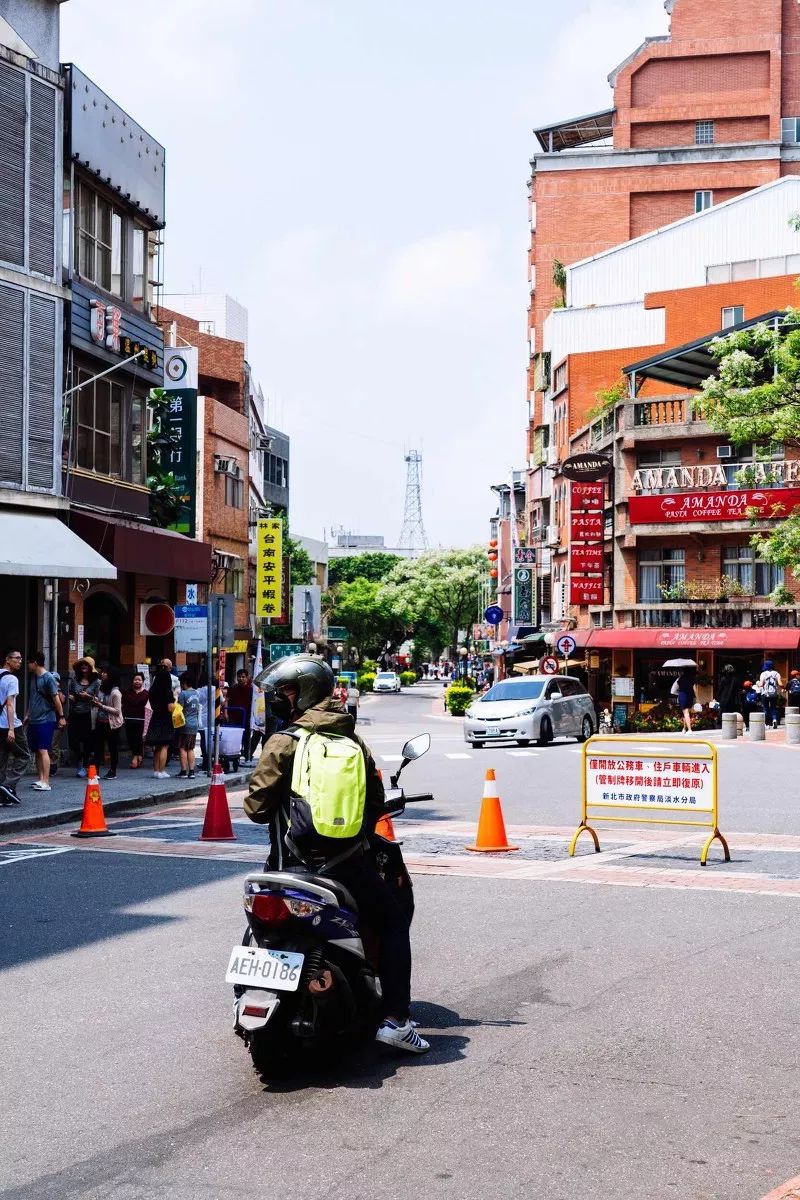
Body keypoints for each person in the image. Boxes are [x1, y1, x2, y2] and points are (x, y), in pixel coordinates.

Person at [244, 654, 429, 1055]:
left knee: (260, 925)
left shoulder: (282, 742)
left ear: (304, 694)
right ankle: (396, 1020)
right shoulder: (352, 742)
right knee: (393, 924)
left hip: (286, 864)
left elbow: (256, 810)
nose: (278, 697)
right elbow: (375, 803)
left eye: (285, 691)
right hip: (347, 865)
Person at [25, 652, 65, 791]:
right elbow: (33, 699)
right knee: (36, 750)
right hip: (34, 719)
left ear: (35, 662)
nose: (27, 665)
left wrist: (61, 717)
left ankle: (46, 782)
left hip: (46, 719)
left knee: (43, 750)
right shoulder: (34, 678)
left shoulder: (48, 678)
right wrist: (27, 715)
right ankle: (40, 778)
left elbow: (56, 699)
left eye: (29, 662)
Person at [0, 648, 30, 805]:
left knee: (2, 758)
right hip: (10, 725)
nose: (20, 661)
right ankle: (8, 786)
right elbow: (10, 705)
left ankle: (2, 796)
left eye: (21, 659)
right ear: (7, 659)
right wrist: (11, 729)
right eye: (16, 658)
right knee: (24, 755)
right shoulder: (12, 679)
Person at [68, 660, 99, 777]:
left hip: (88, 713)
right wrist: (71, 697)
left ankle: (85, 765)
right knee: (73, 741)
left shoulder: (96, 682)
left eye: (86, 665)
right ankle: (79, 761)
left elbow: (98, 700)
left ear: (91, 668)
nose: (84, 666)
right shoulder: (74, 680)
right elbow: (70, 693)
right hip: (75, 713)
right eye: (82, 665)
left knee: (87, 741)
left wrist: (88, 696)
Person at [92, 668, 123, 779]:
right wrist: (94, 700)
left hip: (112, 724)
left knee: (112, 747)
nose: (103, 674)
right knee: (97, 747)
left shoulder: (116, 693)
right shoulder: (101, 688)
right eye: (103, 672)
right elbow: (99, 700)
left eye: (106, 673)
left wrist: (102, 706)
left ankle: (113, 770)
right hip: (100, 721)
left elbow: (117, 711)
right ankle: (95, 771)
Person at [146, 665, 175, 778]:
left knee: (157, 747)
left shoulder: (152, 691)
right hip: (165, 719)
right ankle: (162, 771)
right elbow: (170, 708)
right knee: (164, 746)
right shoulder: (168, 692)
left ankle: (156, 771)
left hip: (155, 717)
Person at [176, 671, 200, 778]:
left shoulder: (183, 694)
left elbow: (179, 709)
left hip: (184, 724)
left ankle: (183, 771)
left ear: (184, 682)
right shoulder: (196, 693)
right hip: (194, 724)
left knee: (182, 748)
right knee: (190, 748)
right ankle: (192, 772)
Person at [122, 672, 149, 768]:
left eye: (139, 680)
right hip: (129, 719)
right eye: (135, 679)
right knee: (131, 739)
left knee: (139, 739)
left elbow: (149, 708)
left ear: (143, 681)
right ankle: (139, 756)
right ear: (132, 681)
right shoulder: (127, 692)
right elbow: (123, 706)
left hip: (142, 720)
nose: (137, 681)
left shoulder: (146, 694)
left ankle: (135, 758)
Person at [227, 669, 254, 761]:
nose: (241, 679)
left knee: (246, 737)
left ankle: (247, 755)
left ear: (247, 678)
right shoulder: (232, 689)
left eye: (243, 677)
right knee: (234, 738)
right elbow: (227, 700)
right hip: (233, 717)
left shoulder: (251, 690)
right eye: (239, 677)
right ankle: (233, 755)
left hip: (246, 717)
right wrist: (226, 713)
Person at [759, 659, 783, 730]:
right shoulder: (776, 673)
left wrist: (757, 683)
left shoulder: (763, 674)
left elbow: (761, 684)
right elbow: (780, 683)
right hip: (774, 694)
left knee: (765, 708)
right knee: (773, 708)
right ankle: (774, 720)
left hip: (765, 694)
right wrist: (784, 687)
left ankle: (766, 724)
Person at [674, 666, 696, 734]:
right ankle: (684, 729)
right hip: (690, 696)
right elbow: (694, 688)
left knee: (686, 713)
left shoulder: (680, 678)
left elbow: (676, 688)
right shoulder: (691, 679)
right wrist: (696, 697)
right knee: (687, 713)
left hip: (683, 696)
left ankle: (689, 730)